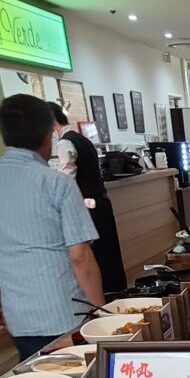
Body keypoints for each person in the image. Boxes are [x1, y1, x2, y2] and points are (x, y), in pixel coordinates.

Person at [0, 94, 104, 360]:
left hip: (18, 316)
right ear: (47, 135)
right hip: (66, 312)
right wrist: (100, 312)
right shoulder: (57, 183)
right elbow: (80, 256)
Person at [49, 102, 127, 293]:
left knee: (96, 255)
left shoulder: (65, 142)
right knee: (109, 252)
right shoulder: (82, 139)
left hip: (87, 207)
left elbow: (65, 181)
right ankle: (117, 292)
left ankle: (104, 297)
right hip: (101, 202)